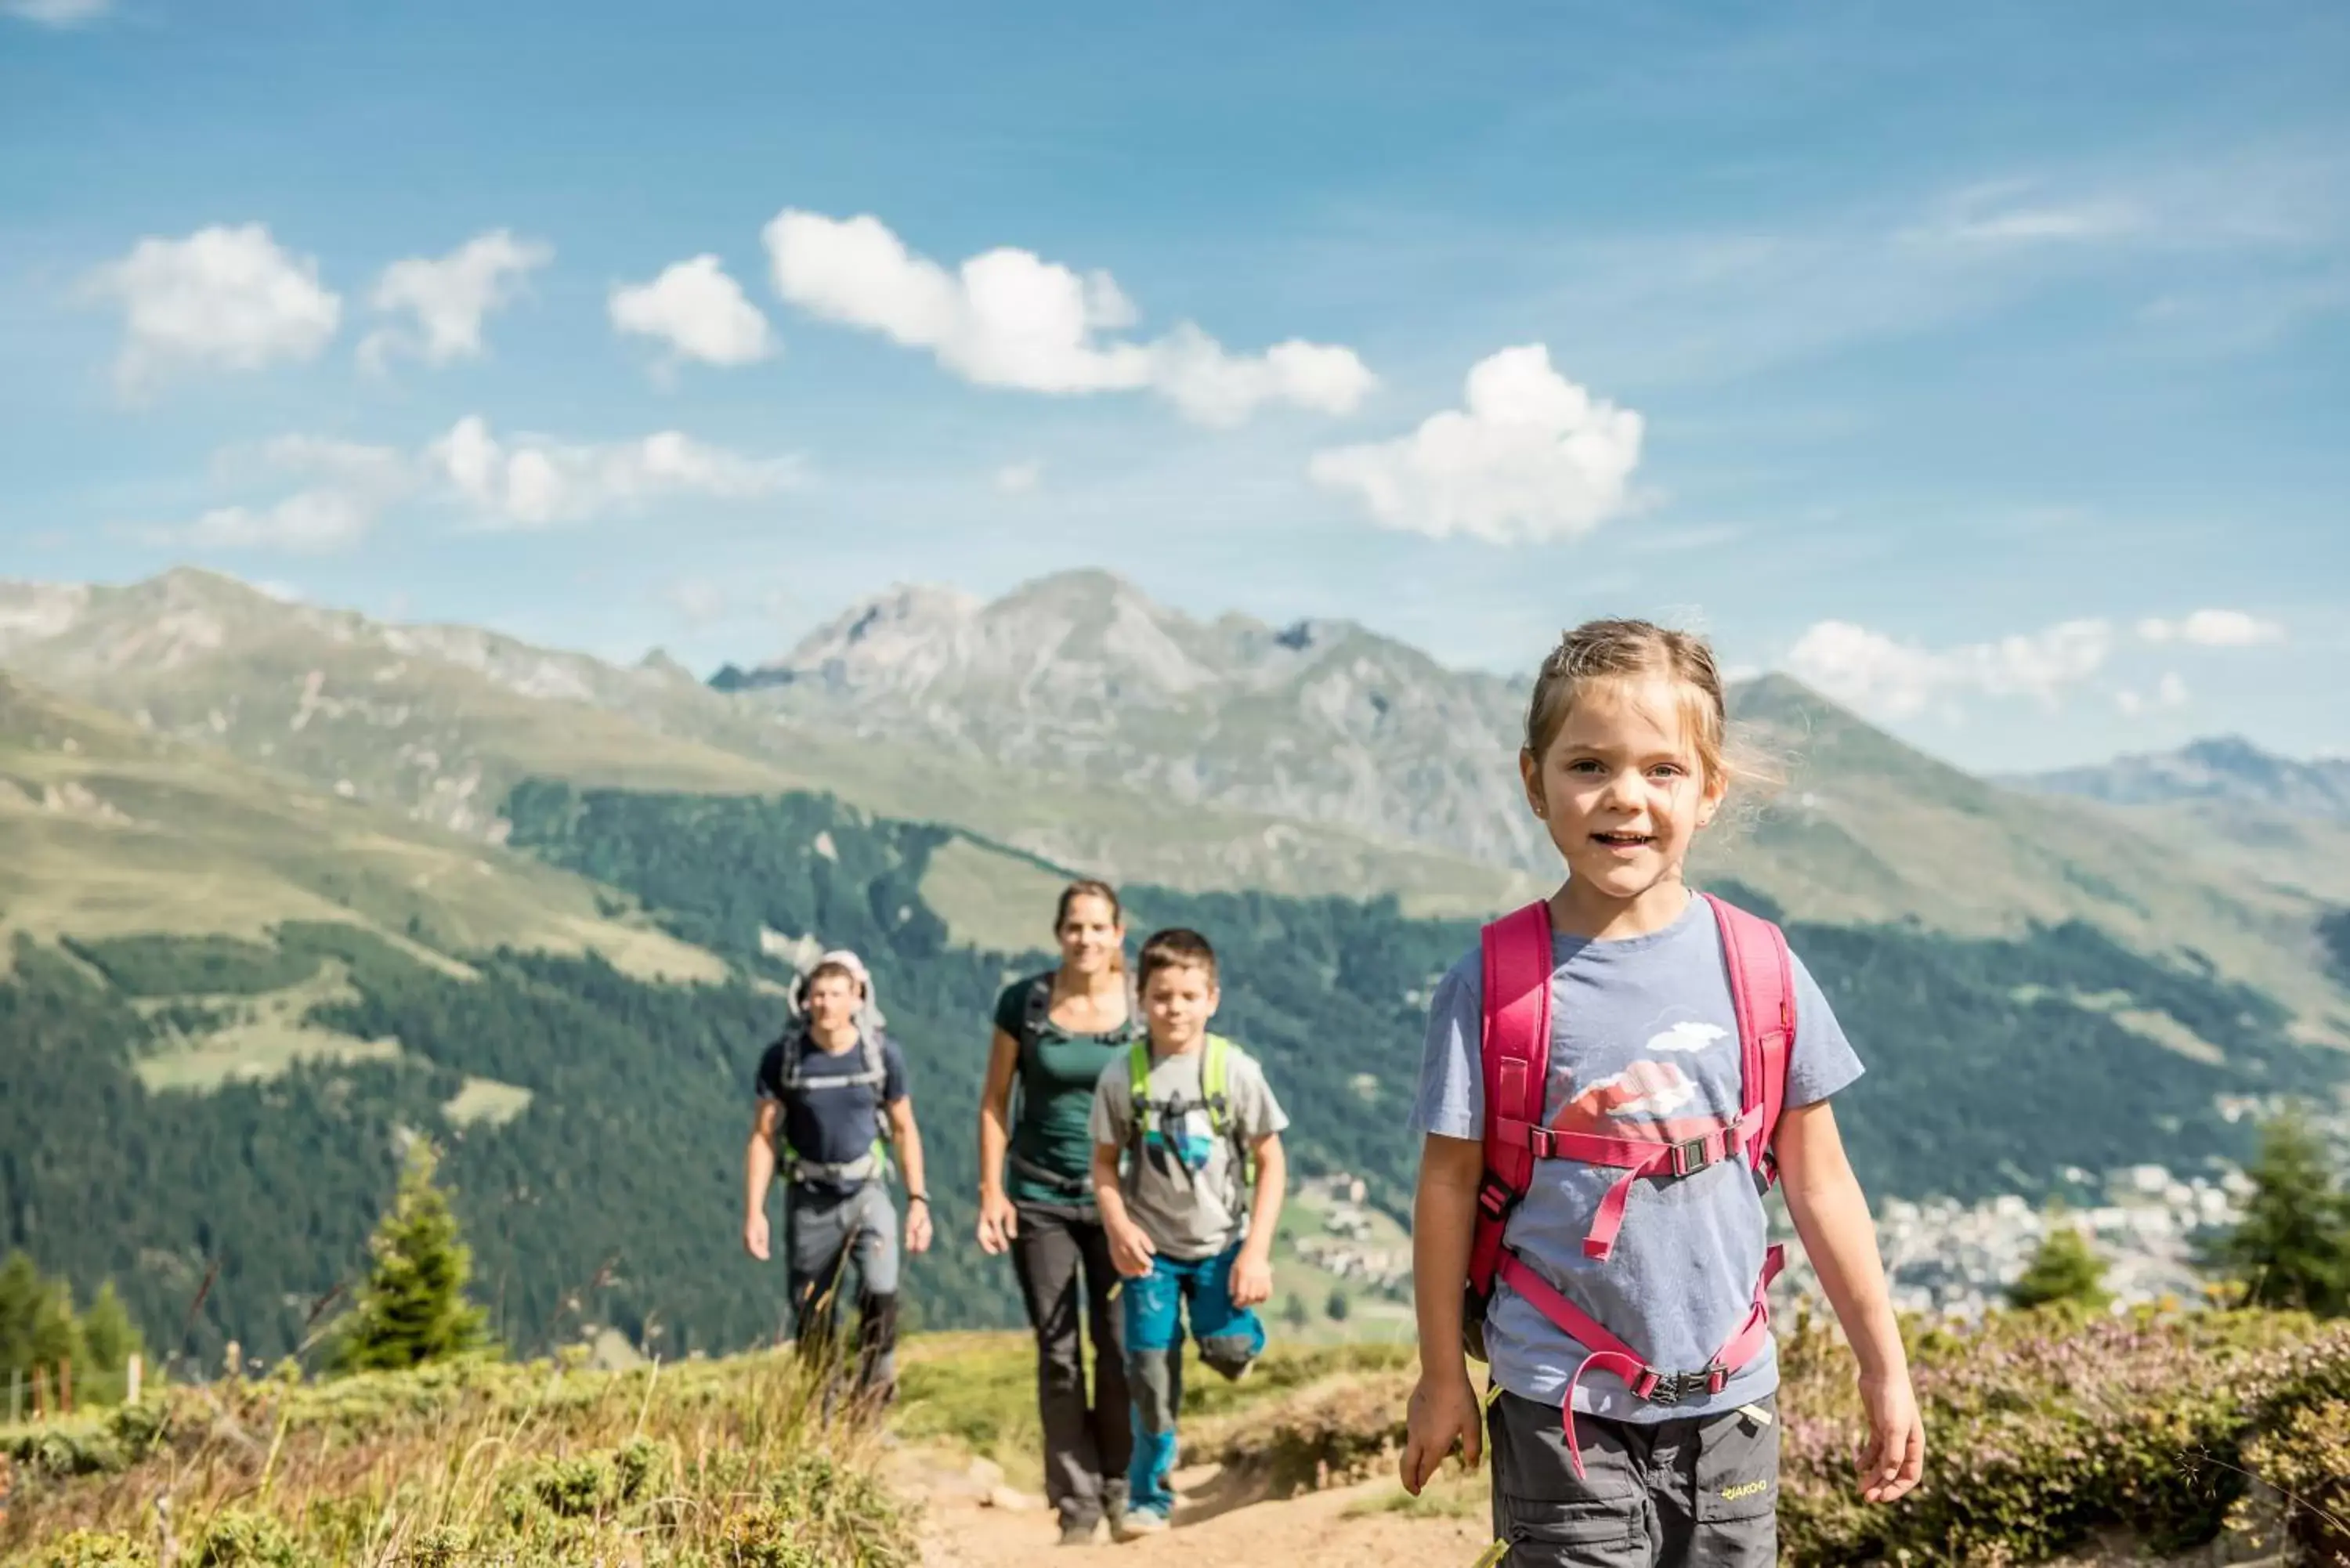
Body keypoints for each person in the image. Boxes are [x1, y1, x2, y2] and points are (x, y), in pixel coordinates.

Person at [1399, 619, 1924, 1567]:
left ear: (1710, 789)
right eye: (1589, 764)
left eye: (1663, 770)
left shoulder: (1761, 967)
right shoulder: (1491, 981)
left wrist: (1884, 1366)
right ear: (1535, 782)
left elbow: (1822, 1184)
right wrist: (1443, 1373)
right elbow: (1445, 1187)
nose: (1625, 798)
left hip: (1733, 1398)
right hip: (1558, 1392)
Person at [1090, 927, 1289, 1542]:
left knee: (1227, 1351)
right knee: (1148, 1374)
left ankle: (1237, 1337)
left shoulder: (1234, 1071)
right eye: (1161, 995)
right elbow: (1102, 1164)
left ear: (1212, 998)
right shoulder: (1124, 1076)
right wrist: (1118, 1225)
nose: (1174, 1008)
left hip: (1221, 1246)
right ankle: (1148, 1496)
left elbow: (1271, 1160)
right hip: (1150, 1253)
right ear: (1139, 997)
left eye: (1187, 995)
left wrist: (1255, 1253)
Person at [977, 880, 1146, 1545]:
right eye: (1075, 927)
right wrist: (992, 1192)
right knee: (1058, 1352)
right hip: (1039, 1195)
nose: (1086, 939)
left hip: (1119, 1204)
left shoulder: (1140, 1008)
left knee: (1119, 1345)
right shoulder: (1025, 1003)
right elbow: (995, 1101)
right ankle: (1075, 1506)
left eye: (1098, 927)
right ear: (1059, 933)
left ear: (1117, 935)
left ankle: (1120, 1487)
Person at [744, 950, 932, 1403]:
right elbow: (764, 1136)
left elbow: (905, 1128)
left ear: (857, 998)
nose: (826, 1004)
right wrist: (755, 1211)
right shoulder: (783, 1059)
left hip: (867, 1190)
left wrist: (917, 1200)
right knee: (811, 1310)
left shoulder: (882, 1056)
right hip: (809, 1196)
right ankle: (821, 1404)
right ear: (804, 1000)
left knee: (881, 1290)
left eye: (836, 994)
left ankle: (873, 1392)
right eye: (818, 994)